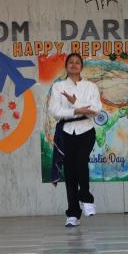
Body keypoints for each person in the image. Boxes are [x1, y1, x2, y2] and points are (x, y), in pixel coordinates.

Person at [47, 53, 101, 227]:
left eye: (77, 62)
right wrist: (77, 110)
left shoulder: (91, 86)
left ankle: (86, 198)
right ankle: (73, 214)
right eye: (71, 62)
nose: (74, 64)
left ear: (81, 66)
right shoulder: (58, 86)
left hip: (86, 130)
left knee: (81, 163)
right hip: (66, 131)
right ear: (66, 66)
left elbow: (95, 109)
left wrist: (75, 103)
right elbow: (55, 111)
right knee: (70, 172)